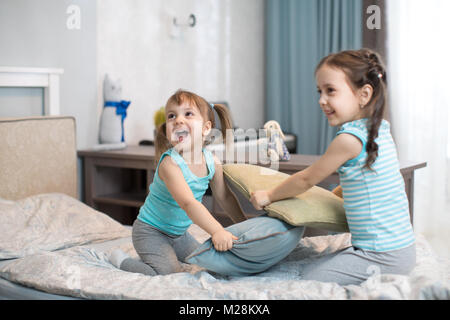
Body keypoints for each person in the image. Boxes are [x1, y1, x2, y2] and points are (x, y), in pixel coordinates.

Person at [250, 48, 416, 285]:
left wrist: (268, 195)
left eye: (331, 91)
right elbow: (365, 180)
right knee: (318, 265)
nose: (321, 100)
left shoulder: (348, 140)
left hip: (382, 256)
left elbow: (307, 178)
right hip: (401, 250)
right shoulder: (379, 129)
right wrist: (334, 196)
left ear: (364, 94)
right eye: (319, 91)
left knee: (308, 280)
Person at [109, 89, 247, 276]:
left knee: (211, 261)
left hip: (179, 235)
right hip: (150, 232)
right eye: (172, 116)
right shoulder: (170, 164)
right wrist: (217, 231)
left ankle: (162, 255)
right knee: (169, 272)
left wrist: (245, 226)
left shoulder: (212, 161)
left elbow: (225, 197)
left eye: (188, 114)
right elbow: (188, 203)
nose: (178, 120)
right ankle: (121, 260)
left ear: (206, 128)